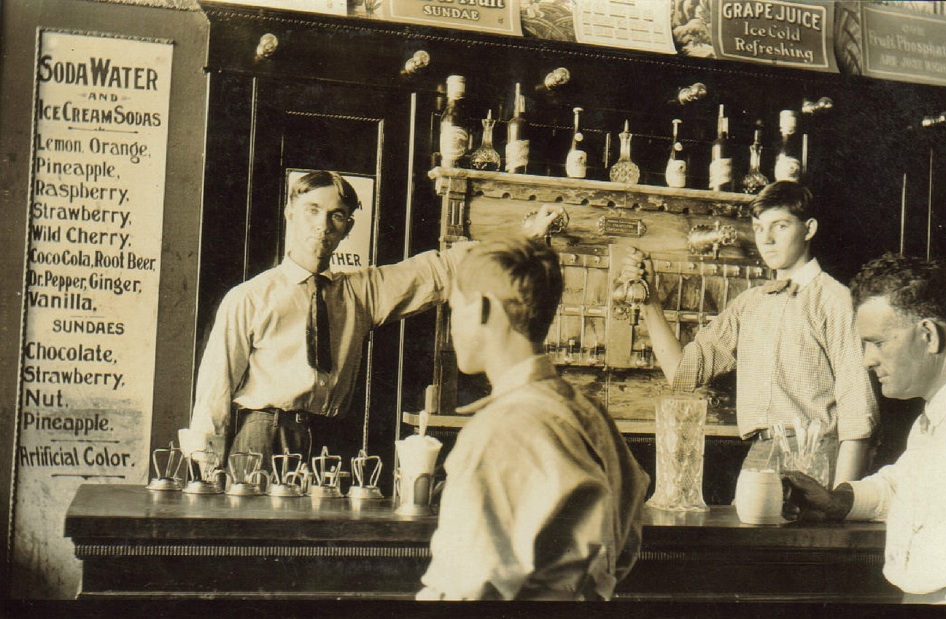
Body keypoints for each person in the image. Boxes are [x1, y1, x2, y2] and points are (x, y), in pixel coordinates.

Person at [182, 170, 564, 472]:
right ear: (290, 213)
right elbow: (216, 384)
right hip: (260, 438)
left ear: (347, 228)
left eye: (337, 216)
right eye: (312, 210)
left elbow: (440, 269)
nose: (323, 225)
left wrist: (524, 235)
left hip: (328, 440)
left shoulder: (360, 292)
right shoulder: (249, 296)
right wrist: (207, 462)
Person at [417, 236, 651, 601]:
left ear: (483, 309)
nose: (451, 326)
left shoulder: (498, 431)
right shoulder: (590, 413)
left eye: (453, 309)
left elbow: (466, 589)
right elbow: (626, 543)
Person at [626, 181, 878, 486]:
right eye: (759, 228)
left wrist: (840, 501)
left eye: (780, 226)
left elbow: (857, 412)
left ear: (808, 229)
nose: (767, 240)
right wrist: (650, 300)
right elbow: (681, 373)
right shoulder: (749, 305)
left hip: (816, 454)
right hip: (760, 452)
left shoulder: (835, 301)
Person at [784, 253, 946, 604]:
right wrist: (839, 501)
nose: (867, 359)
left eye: (878, 342)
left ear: (928, 335)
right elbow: (905, 486)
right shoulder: (939, 415)